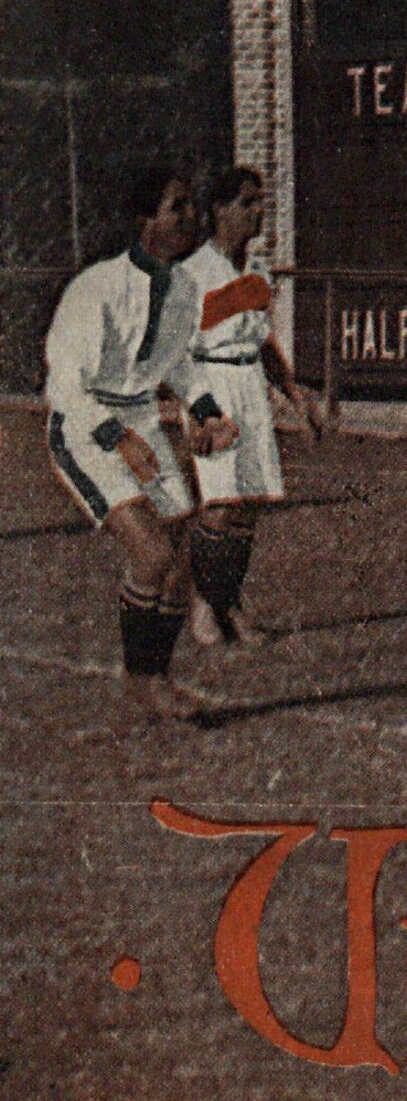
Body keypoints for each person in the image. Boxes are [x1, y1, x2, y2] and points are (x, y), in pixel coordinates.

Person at [42, 166, 239, 722]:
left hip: (141, 421)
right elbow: (64, 383)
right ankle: (141, 680)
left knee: (182, 561)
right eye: (177, 207)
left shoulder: (183, 289)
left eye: (190, 206)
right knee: (152, 554)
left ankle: (156, 676)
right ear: (145, 219)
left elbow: (177, 364)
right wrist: (118, 438)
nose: (190, 218)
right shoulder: (97, 287)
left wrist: (208, 414)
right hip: (85, 426)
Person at [178, 166, 325, 647]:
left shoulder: (256, 272)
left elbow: (262, 343)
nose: (259, 210)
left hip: (250, 387)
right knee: (220, 506)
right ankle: (203, 607)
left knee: (248, 508)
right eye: (247, 202)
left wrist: (295, 395)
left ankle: (231, 605)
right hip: (212, 387)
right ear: (219, 209)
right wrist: (197, 414)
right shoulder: (193, 273)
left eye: (261, 200)